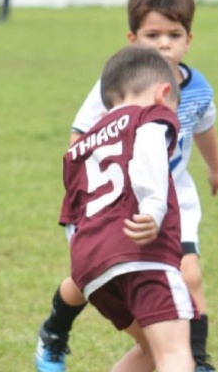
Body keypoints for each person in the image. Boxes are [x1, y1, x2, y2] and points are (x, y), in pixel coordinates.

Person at [35, 0, 218, 372]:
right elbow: (80, 139)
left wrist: (216, 172)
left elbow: (204, 128)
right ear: (132, 41)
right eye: (152, 35)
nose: (163, 44)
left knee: (189, 274)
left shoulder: (198, 88)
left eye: (174, 35)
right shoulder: (117, 86)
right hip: (123, 199)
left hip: (173, 191)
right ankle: (56, 328)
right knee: (94, 276)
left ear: (188, 39)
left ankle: (200, 360)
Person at [61, 44, 195, 372]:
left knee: (150, 349)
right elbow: (148, 148)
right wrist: (153, 209)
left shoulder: (83, 143)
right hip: (141, 253)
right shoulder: (151, 115)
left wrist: (87, 256)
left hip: (91, 266)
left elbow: (71, 212)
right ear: (164, 93)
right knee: (175, 354)